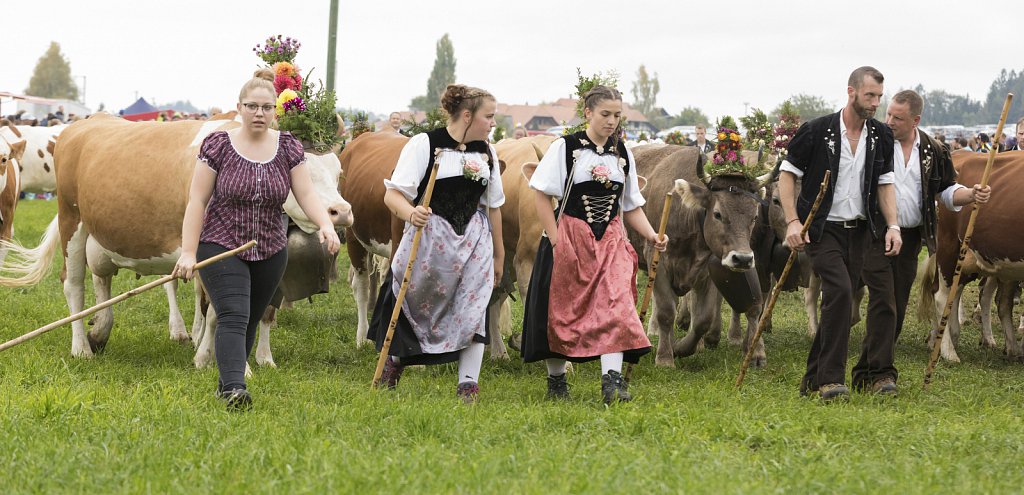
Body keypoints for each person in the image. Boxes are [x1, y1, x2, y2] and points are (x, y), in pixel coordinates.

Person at [172, 68, 341, 410]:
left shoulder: (289, 148)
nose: (259, 113)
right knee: (233, 312)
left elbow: (306, 193)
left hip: (270, 247)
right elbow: (197, 200)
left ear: (274, 112)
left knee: (250, 316)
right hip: (222, 243)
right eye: (251, 106)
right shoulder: (218, 146)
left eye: (265, 107)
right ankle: (235, 387)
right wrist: (189, 252)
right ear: (239, 107)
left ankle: (225, 382)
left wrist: (325, 224)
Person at [521, 85, 667, 404]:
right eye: (605, 114)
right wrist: (556, 238)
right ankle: (557, 382)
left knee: (616, 302)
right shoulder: (567, 148)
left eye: (617, 115)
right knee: (561, 310)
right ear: (588, 113)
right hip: (569, 235)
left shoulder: (621, 152)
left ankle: (611, 382)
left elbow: (630, 205)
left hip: (611, 238)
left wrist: (652, 235)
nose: (612, 121)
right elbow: (541, 194)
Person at [367, 84, 505, 404]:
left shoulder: (487, 151)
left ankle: (468, 386)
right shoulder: (425, 145)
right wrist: (410, 213)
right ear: (467, 116)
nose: (493, 123)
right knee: (416, 303)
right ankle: (397, 361)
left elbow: (494, 205)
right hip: (429, 240)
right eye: (489, 116)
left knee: (474, 305)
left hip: (473, 240)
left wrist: (498, 255)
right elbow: (394, 194)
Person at [854, 90, 991, 395]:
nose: (889, 121)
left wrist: (970, 194)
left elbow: (945, 190)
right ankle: (883, 375)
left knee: (898, 307)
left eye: (897, 118)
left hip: (911, 237)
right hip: (873, 233)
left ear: (915, 120)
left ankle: (865, 371)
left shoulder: (933, 150)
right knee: (884, 302)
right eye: (888, 114)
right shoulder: (872, 142)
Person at [779, 66, 900, 402]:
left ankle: (812, 378)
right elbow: (787, 176)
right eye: (869, 95)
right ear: (851, 92)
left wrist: (892, 225)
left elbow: (885, 184)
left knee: (839, 300)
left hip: (861, 230)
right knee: (842, 293)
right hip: (822, 229)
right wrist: (792, 221)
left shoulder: (880, 136)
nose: (875, 102)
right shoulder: (817, 131)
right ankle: (830, 381)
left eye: (878, 96)